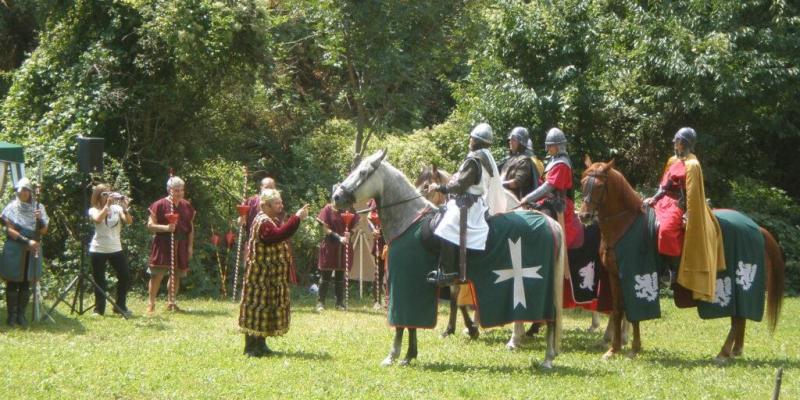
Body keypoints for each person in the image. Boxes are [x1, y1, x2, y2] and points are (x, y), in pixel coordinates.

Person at [643, 127, 724, 302]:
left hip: (678, 205)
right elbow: (663, 185)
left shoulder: (692, 165)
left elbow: (692, 194)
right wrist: (654, 198)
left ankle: (671, 271)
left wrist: (688, 213)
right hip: (663, 201)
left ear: (684, 143)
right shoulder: (672, 160)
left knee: (665, 231)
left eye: (677, 141)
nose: (674, 143)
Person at [427, 123, 505, 286]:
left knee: (445, 228)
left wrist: (440, 187)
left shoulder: (475, 159)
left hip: (468, 205)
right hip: (472, 202)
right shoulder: (484, 156)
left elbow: (460, 185)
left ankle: (449, 272)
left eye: (472, 137)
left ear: (476, 140)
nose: (469, 140)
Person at [239, 188, 308, 357]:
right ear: (266, 205)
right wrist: (297, 218)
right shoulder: (263, 221)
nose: (281, 205)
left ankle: (261, 345)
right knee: (256, 309)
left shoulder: (269, 219)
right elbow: (276, 236)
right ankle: (251, 348)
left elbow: (279, 233)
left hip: (268, 276)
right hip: (259, 275)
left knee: (266, 309)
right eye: (277, 203)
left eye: (280, 202)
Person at [521, 127, 583, 249]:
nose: (548, 148)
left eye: (550, 146)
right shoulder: (553, 161)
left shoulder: (562, 164)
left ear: (559, 146)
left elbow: (549, 186)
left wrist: (527, 198)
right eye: (547, 145)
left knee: (547, 233)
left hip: (559, 204)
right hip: (548, 201)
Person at [1, 178, 48, 327]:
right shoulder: (11, 208)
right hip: (15, 247)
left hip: (33, 248)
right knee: (13, 281)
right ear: (17, 191)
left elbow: (43, 230)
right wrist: (27, 241)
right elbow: (9, 229)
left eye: (26, 190)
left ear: (30, 192)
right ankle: (11, 317)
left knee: (26, 282)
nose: (23, 193)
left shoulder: (38, 208)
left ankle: (21, 315)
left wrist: (39, 219)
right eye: (21, 190)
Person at [146, 176, 196, 315]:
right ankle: (151, 303)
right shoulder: (159, 205)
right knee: (157, 274)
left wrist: (190, 246)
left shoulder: (186, 206)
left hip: (182, 243)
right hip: (163, 242)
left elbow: (190, 227)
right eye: (176, 190)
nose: (179, 193)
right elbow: (150, 226)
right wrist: (166, 228)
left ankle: (171, 302)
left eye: (181, 190)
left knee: (177, 274)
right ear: (169, 190)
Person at [88, 184, 133, 317]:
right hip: (98, 249)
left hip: (115, 248)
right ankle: (99, 309)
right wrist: (106, 206)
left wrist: (125, 209)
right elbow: (98, 219)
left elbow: (129, 221)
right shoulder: (93, 210)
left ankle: (120, 306)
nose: (108, 196)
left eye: (109, 193)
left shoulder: (117, 208)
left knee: (125, 276)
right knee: (99, 280)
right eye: (104, 194)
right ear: (97, 196)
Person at [316, 197, 359, 311]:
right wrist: (338, 237)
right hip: (330, 245)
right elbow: (325, 228)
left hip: (344, 245)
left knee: (340, 275)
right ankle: (320, 303)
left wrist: (350, 233)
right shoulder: (327, 209)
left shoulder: (349, 209)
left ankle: (339, 303)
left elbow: (355, 224)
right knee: (326, 275)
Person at [501, 126, 538, 201]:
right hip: (504, 196)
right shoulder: (510, 159)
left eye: (513, 140)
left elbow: (516, 182)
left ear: (521, 143)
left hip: (517, 202)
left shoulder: (524, 161)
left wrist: (500, 184)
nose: (510, 142)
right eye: (510, 139)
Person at [367, 199, 386, 309]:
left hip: (393, 240)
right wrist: (373, 229)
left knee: (392, 273)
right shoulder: (376, 200)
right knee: (378, 273)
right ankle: (377, 301)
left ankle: (391, 300)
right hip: (380, 240)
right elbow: (369, 217)